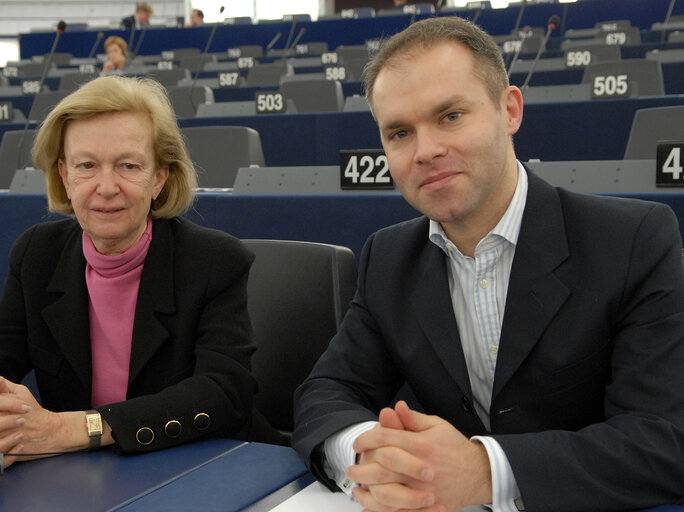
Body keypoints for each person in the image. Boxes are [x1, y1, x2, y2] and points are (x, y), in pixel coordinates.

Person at [292, 16, 684, 512]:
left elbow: (663, 438)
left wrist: (485, 471)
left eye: (451, 116)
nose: (426, 150)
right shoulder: (387, 257)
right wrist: (376, 450)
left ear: (510, 109)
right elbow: (327, 391)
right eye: (399, 133)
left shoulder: (633, 240)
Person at [0, 75, 278, 467]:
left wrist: (70, 429)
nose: (106, 186)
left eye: (128, 165)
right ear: (65, 177)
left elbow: (224, 394)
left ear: (159, 178)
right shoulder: (38, 254)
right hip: (82, 480)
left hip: (197, 469)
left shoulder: (214, 260)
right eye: (87, 165)